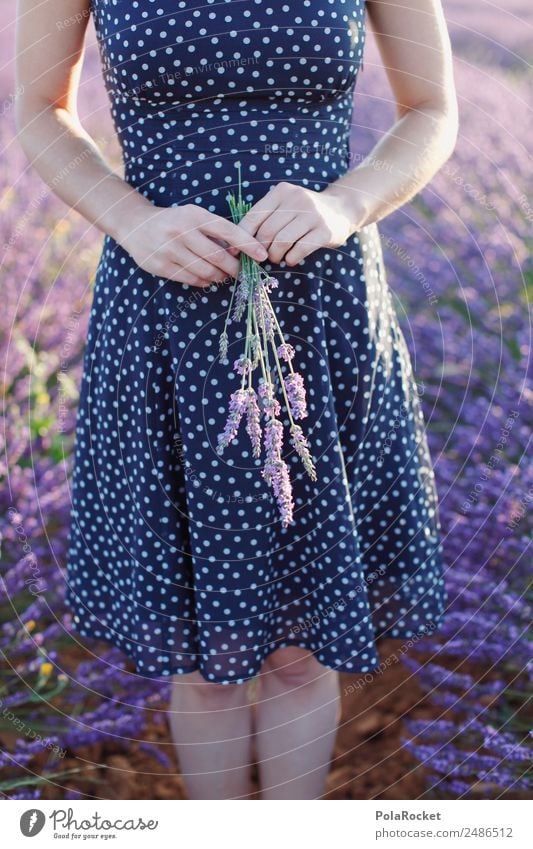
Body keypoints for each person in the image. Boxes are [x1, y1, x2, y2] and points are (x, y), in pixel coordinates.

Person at [15, 0, 458, 800]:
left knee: (299, 651)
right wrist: (133, 220)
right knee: (206, 656)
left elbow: (430, 110)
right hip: (162, 309)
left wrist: (345, 204)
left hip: (321, 313)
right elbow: (40, 109)